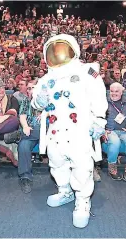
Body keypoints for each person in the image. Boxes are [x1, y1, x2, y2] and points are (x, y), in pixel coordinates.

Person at [31, 34, 108, 228]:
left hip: (79, 129)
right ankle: (64, 190)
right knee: (57, 162)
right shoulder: (47, 79)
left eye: (61, 49)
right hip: (56, 130)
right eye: (53, 50)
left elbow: (98, 97)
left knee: (82, 165)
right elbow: (36, 101)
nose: (58, 54)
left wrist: (99, 120)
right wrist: (39, 100)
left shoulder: (87, 73)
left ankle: (82, 200)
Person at [102, 82, 126, 181]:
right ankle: (112, 169)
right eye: (112, 91)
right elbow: (98, 118)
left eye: (116, 91)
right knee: (115, 142)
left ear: (122, 92)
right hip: (110, 130)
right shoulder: (103, 103)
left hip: (125, 130)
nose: (114, 93)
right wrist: (103, 130)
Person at [18, 82, 41, 193]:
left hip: (48, 133)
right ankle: (25, 177)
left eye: (33, 88)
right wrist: (25, 126)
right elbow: (22, 116)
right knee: (23, 145)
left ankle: (18, 136)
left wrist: (45, 114)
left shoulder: (48, 101)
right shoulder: (26, 101)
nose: (30, 90)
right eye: (29, 88)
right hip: (29, 132)